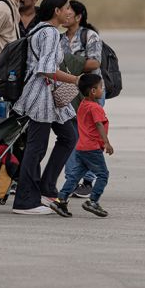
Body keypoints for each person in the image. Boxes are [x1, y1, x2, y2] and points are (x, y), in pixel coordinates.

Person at [11, 0, 79, 216]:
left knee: (69, 136)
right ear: (57, 11)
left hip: (49, 96)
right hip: (41, 96)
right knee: (36, 148)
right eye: (67, 7)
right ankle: (25, 201)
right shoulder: (49, 33)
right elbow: (47, 69)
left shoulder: (41, 28)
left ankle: (46, 187)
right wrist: (77, 80)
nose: (70, 12)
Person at [56, 72, 113, 218]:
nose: (102, 90)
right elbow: (98, 124)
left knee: (75, 176)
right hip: (92, 148)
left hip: (81, 147)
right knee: (103, 174)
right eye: (101, 87)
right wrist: (106, 142)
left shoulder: (83, 104)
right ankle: (93, 201)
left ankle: (61, 199)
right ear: (93, 91)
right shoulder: (95, 107)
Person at [61, 0, 103, 197]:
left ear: (78, 17)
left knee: (90, 137)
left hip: (90, 94)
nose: (64, 14)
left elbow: (94, 64)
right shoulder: (59, 38)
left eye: (68, 12)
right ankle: (72, 178)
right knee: (72, 136)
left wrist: (68, 63)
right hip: (69, 92)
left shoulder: (89, 36)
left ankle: (88, 180)